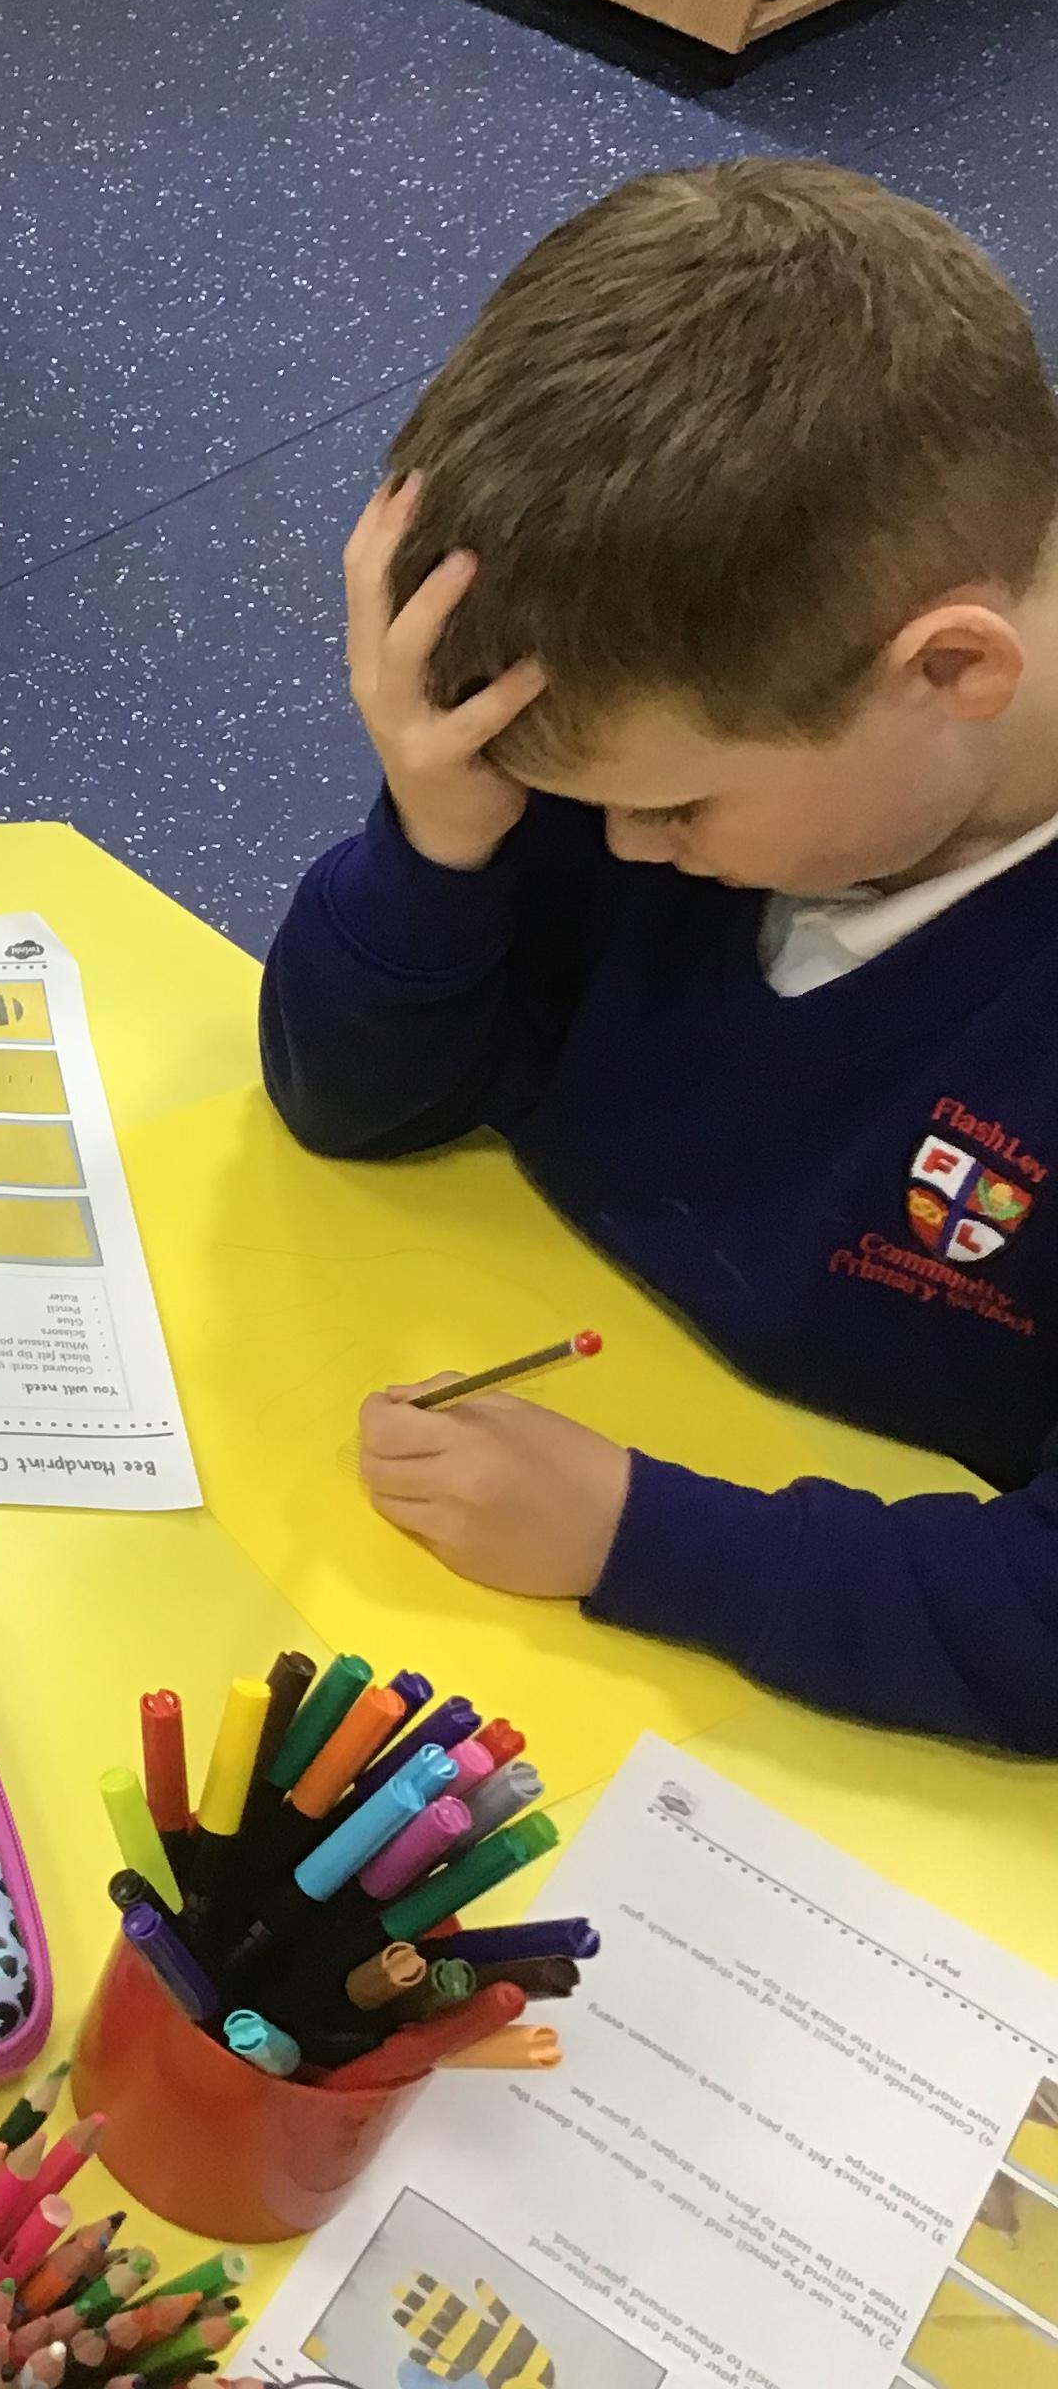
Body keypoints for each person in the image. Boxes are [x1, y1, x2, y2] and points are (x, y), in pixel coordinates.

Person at [261, 160, 1058, 1753]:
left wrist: (647, 1537)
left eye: (676, 809)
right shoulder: (664, 712)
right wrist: (438, 837)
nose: (624, 850)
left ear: (953, 671)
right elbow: (351, 1103)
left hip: (847, 1696)